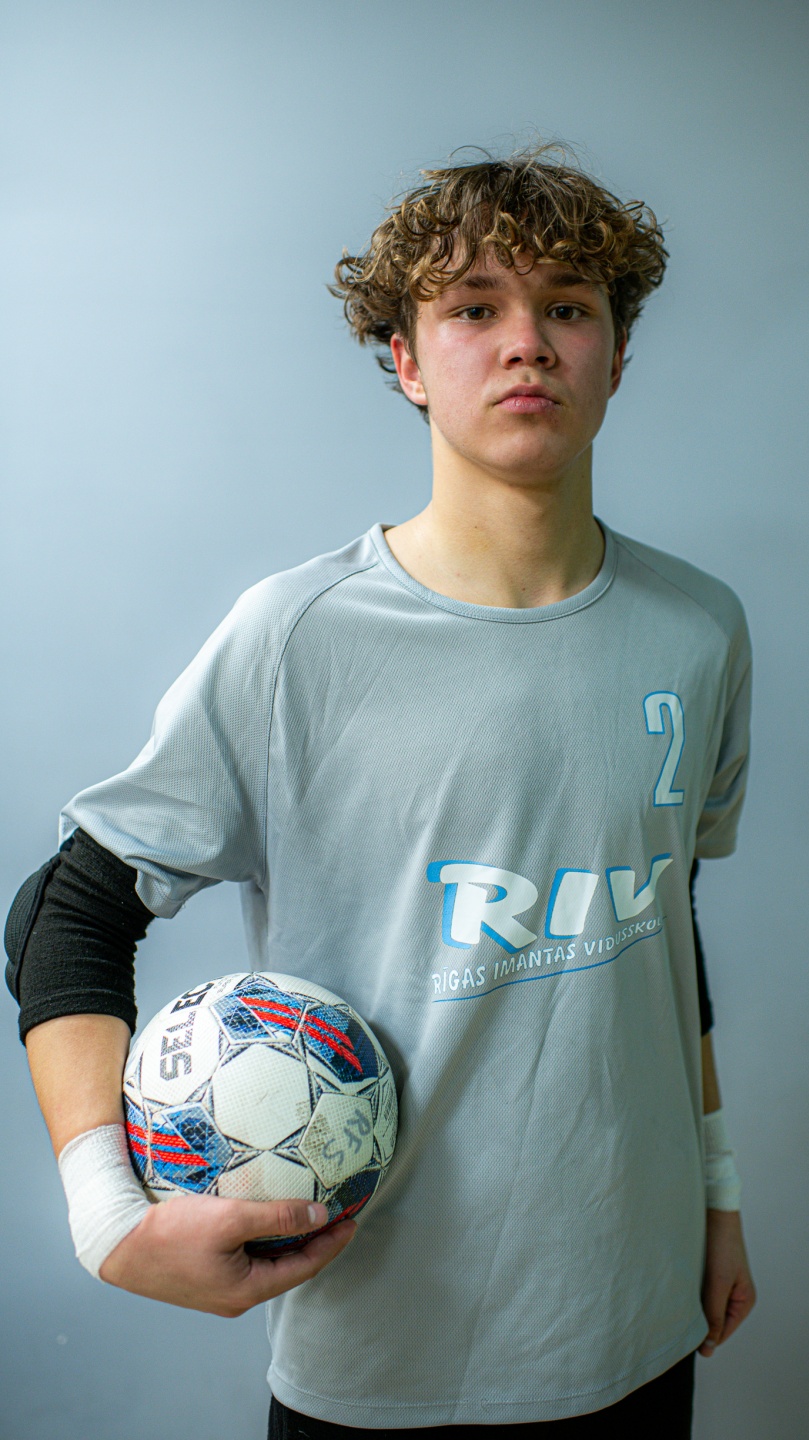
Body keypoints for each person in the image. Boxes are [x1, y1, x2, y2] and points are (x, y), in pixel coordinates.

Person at [6, 141, 756, 1437]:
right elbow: (66, 912)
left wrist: (717, 1191)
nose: (526, 343)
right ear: (406, 361)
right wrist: (106, 1218)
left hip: (637, 1318)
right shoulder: (296, 639)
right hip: (388, 1350)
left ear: (618, 355)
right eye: (473, 308)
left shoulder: (700, 630)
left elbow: (659, 918)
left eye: (567, 306)